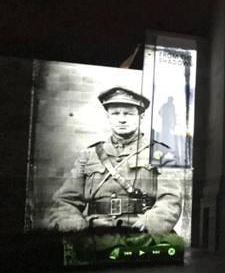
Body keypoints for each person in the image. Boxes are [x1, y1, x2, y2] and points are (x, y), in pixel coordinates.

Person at [48, 87, 182, 235]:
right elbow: (65, 200)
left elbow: (170, 200)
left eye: (128, 114)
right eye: (115, 113)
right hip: (94, 233)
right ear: (108, 116)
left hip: (140, 233)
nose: (122, 119)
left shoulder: (160, 153)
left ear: (141, 116)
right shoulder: (89, 155)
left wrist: (147, 226)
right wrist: (77, 228)